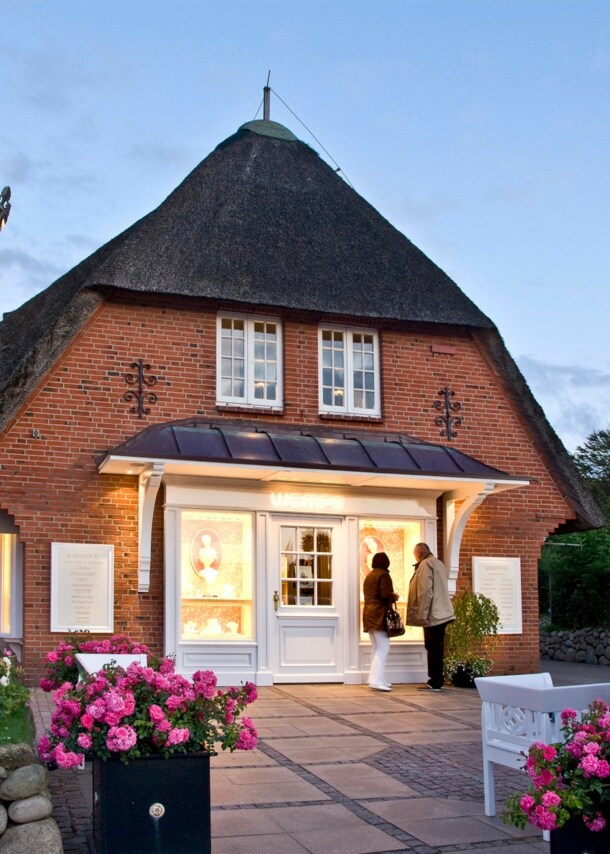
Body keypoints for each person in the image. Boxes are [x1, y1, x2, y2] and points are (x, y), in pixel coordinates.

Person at [407, 542, 455, 691]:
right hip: (443, 613)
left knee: (432, 647)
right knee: (437, 648)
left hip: (433, 615)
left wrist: (423, 614)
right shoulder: (439, 563)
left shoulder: (425, 564)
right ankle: (437, 680)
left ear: (419, 553)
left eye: (415, 555)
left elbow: (425, 591)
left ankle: (434, 682)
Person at [362, 551, 399, 692]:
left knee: (376, 648)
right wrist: (394, 596)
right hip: (379, 614)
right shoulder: (384, 575)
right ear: (386, 563)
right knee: (383, 648)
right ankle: (376, 680)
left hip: (368, 613)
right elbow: (385, 595)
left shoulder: (369, 575)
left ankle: (378, 679)